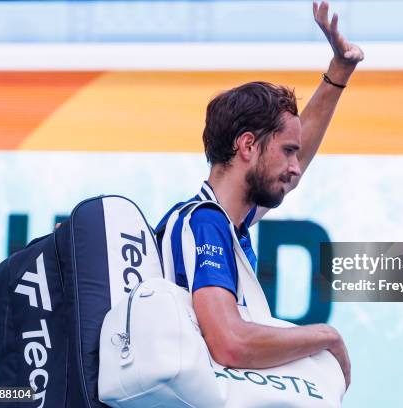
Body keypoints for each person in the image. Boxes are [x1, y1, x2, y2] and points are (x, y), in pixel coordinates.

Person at [155, 0, 363, 390]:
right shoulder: (205, 223)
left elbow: (292, 167)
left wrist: (339, 71)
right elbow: (231, 342)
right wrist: (325, 336)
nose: (296, 166)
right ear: (247, 146)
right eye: (287, 151)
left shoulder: (225, 224)